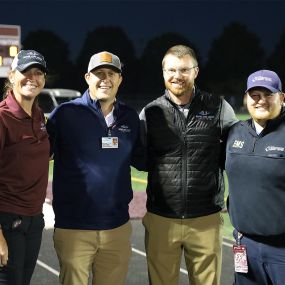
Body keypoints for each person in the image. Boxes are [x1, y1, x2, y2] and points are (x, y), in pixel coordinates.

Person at [140, 44, 237, 285]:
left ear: (196, 72)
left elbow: (237, 155)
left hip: (205, 218)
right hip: (162, 217)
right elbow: (138, 158)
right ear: (163, 73)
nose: (177, 76)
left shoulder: (219, 108)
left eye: (184, 70)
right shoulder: (150, 113)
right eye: (171, 70)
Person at [46, 51, 144, 285]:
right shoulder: (65, 114)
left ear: (120, 80)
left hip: (116, 227)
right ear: (87, 77)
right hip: (74, 227)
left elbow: (145, 160)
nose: (106, 79)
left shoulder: (129, 117)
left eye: (112, 74)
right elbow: (38, 156)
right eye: (99, 74)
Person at [225, 70, 285, 285]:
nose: (261, 101)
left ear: (281, 97)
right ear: (246, 98)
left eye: (268, 94)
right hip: (244, 245)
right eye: (255, 95)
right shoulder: (234, 133)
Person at [0, 50, 49, 285]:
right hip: (7, 220)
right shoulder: (2, 118)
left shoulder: (40, 117)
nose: (33, 77)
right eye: (26, 72)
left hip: (34, 219)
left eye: (38, 72)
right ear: (11, 76)